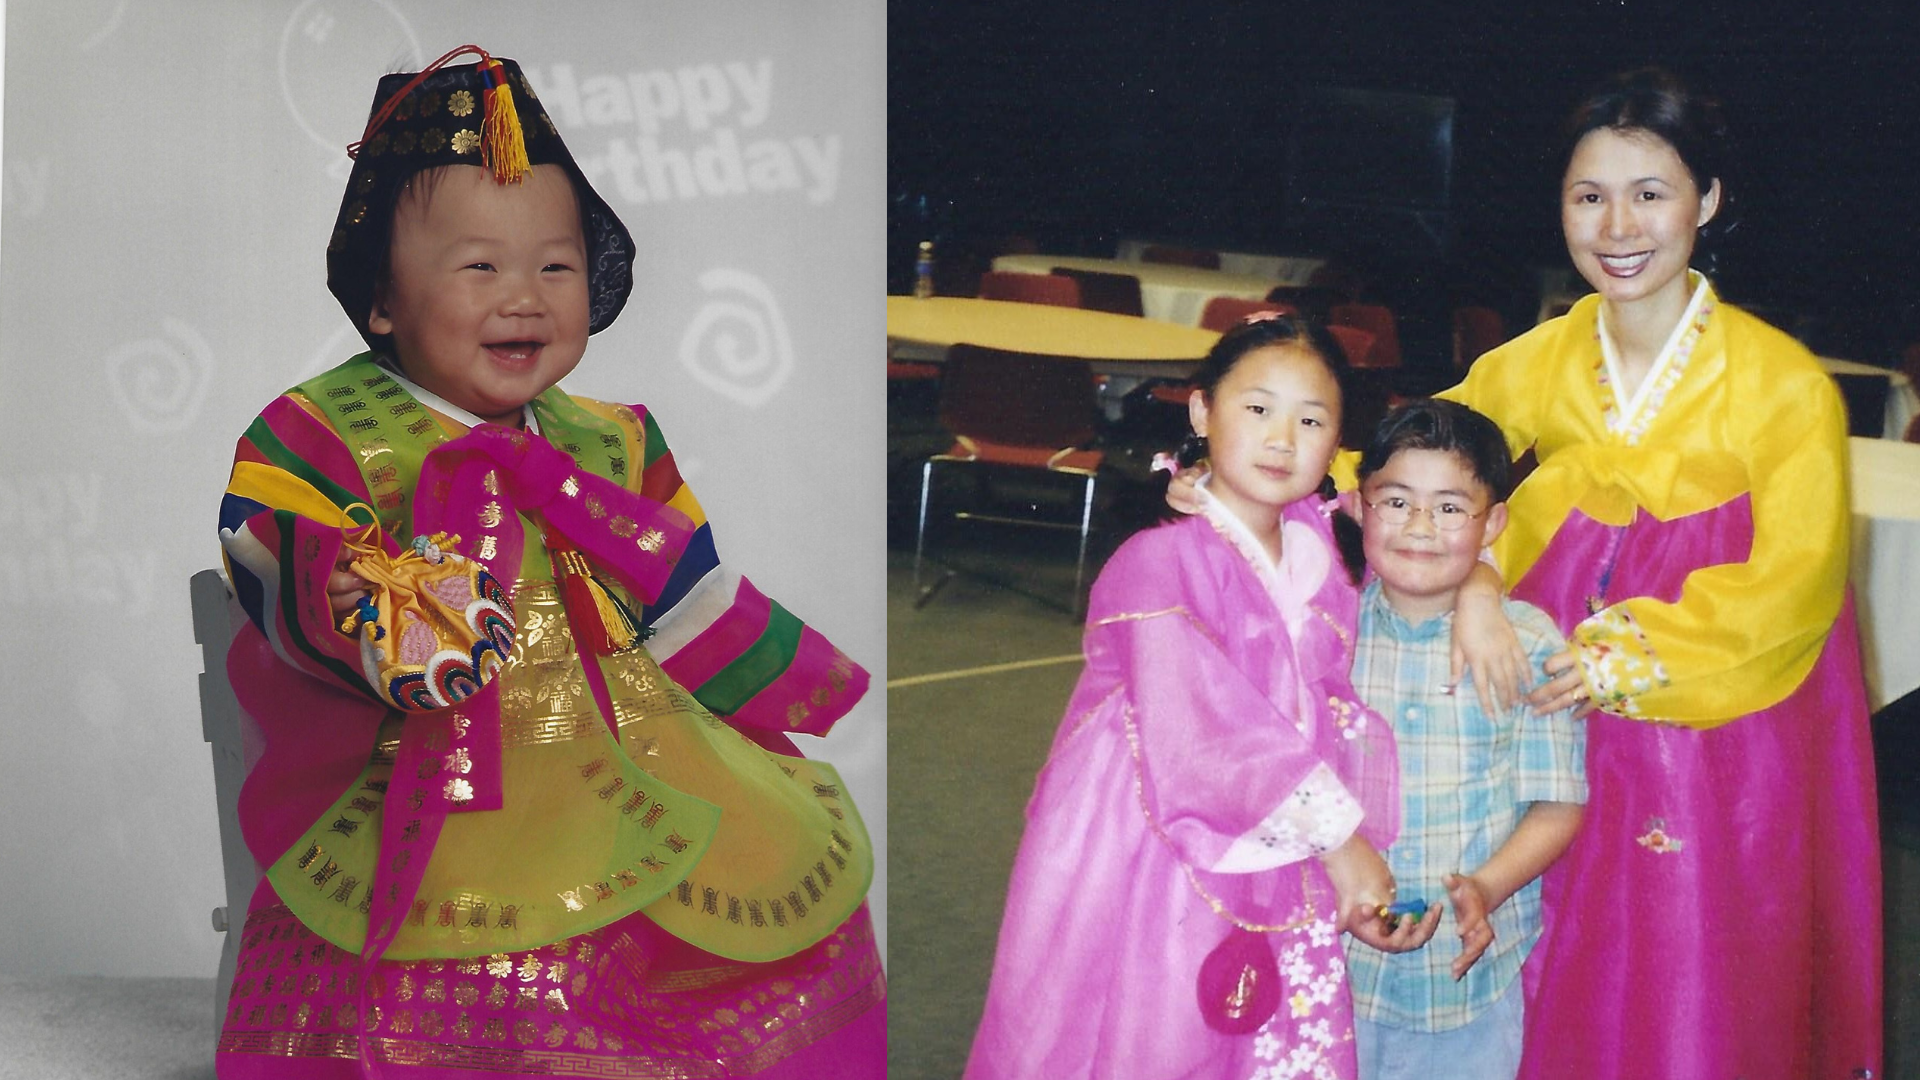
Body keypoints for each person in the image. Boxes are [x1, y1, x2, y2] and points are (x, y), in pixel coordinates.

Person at [212, 48, 883, 1078]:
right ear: (383, 300)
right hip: (421, 770)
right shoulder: (325, 429)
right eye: (479, 267)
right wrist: (339, 587)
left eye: (554, 266)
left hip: (630, 743)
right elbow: (262, 540)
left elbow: (682, 586)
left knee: (769, 880)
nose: (522, 296)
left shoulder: (614, 439)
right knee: (501, 966)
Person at [1439, 67, 1882, 1078]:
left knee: (1695, 961)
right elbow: (1419, 467)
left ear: (1708, 201)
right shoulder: (1537, 361)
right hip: (1544, 707)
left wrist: (1619, 660)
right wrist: (1471, 583)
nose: (1618, 225)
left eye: (1651, 192)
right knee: (1546, 930)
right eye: (1588, 195)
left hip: (1722, 730)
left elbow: (1797, 580)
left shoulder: (1783, 385)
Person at [965, 314, 1405, 1080]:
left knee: (1251, 1032)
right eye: (1257, 408)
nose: (1281, 439)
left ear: (1338, 442)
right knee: (1154, 1025)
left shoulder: (1321, 559)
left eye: (1311, 420)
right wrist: (1339, 841)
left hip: (1281, 828)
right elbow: (1203, 730)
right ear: (1201, 411)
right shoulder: (1160, 560)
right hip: (1149, 840)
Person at [1340, 399, 1586, 1080]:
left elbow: (1557, 804)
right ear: (1359, 508)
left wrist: (1485, 885)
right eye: (1396, 501)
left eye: (1451, 507)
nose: (1420, 526)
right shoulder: (1324, 632)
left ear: (1492, 524)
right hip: (1332, 975)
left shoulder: (1530, 643)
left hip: (1469, 985)